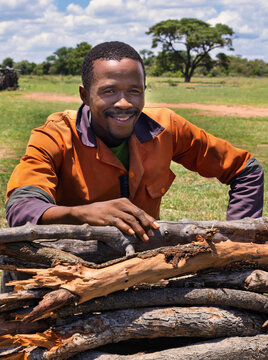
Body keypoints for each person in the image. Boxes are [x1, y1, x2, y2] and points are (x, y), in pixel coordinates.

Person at [2, 41, 264, 291]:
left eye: (134, 91)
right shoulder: (55, 135)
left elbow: (244, 169)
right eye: (109, 91)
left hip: (144, 272)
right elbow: (22, 207)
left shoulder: (166, 128)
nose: (124, 103)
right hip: (69, 271)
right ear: (85, 95)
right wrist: (84, 213)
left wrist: (237, 244)